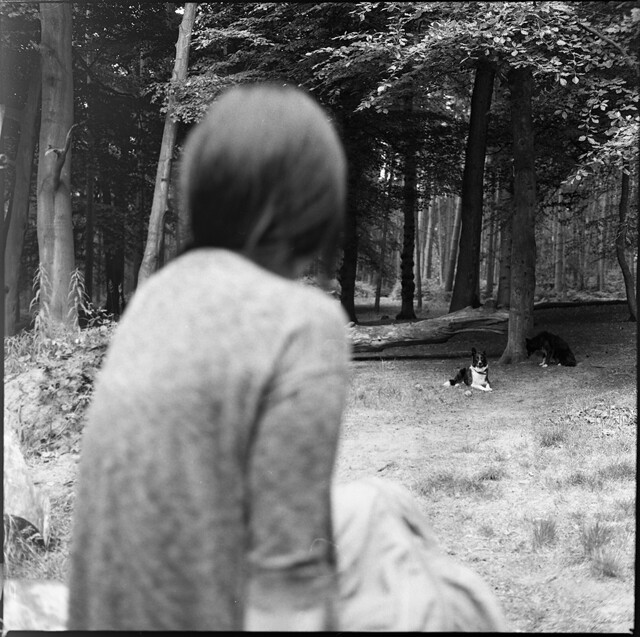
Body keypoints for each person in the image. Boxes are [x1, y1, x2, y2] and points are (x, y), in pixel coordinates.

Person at [67, 83, 350, 631]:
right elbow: (286, 595)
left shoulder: (156, 297)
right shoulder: (301, 323)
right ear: (315, 202)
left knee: (377, 506)